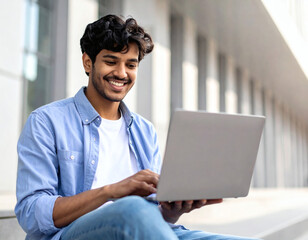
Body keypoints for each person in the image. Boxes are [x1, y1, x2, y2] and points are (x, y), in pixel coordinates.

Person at [15, 14, 259, 240]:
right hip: (74, 235)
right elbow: (31, 213)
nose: (121, 73)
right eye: (111, 61)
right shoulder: (46, 122)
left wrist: (173, 209)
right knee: (131, 208)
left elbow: (151, 220)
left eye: (131, 65)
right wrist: (111, 192)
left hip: (141, 231)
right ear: (88, 63)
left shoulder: (144, 130)